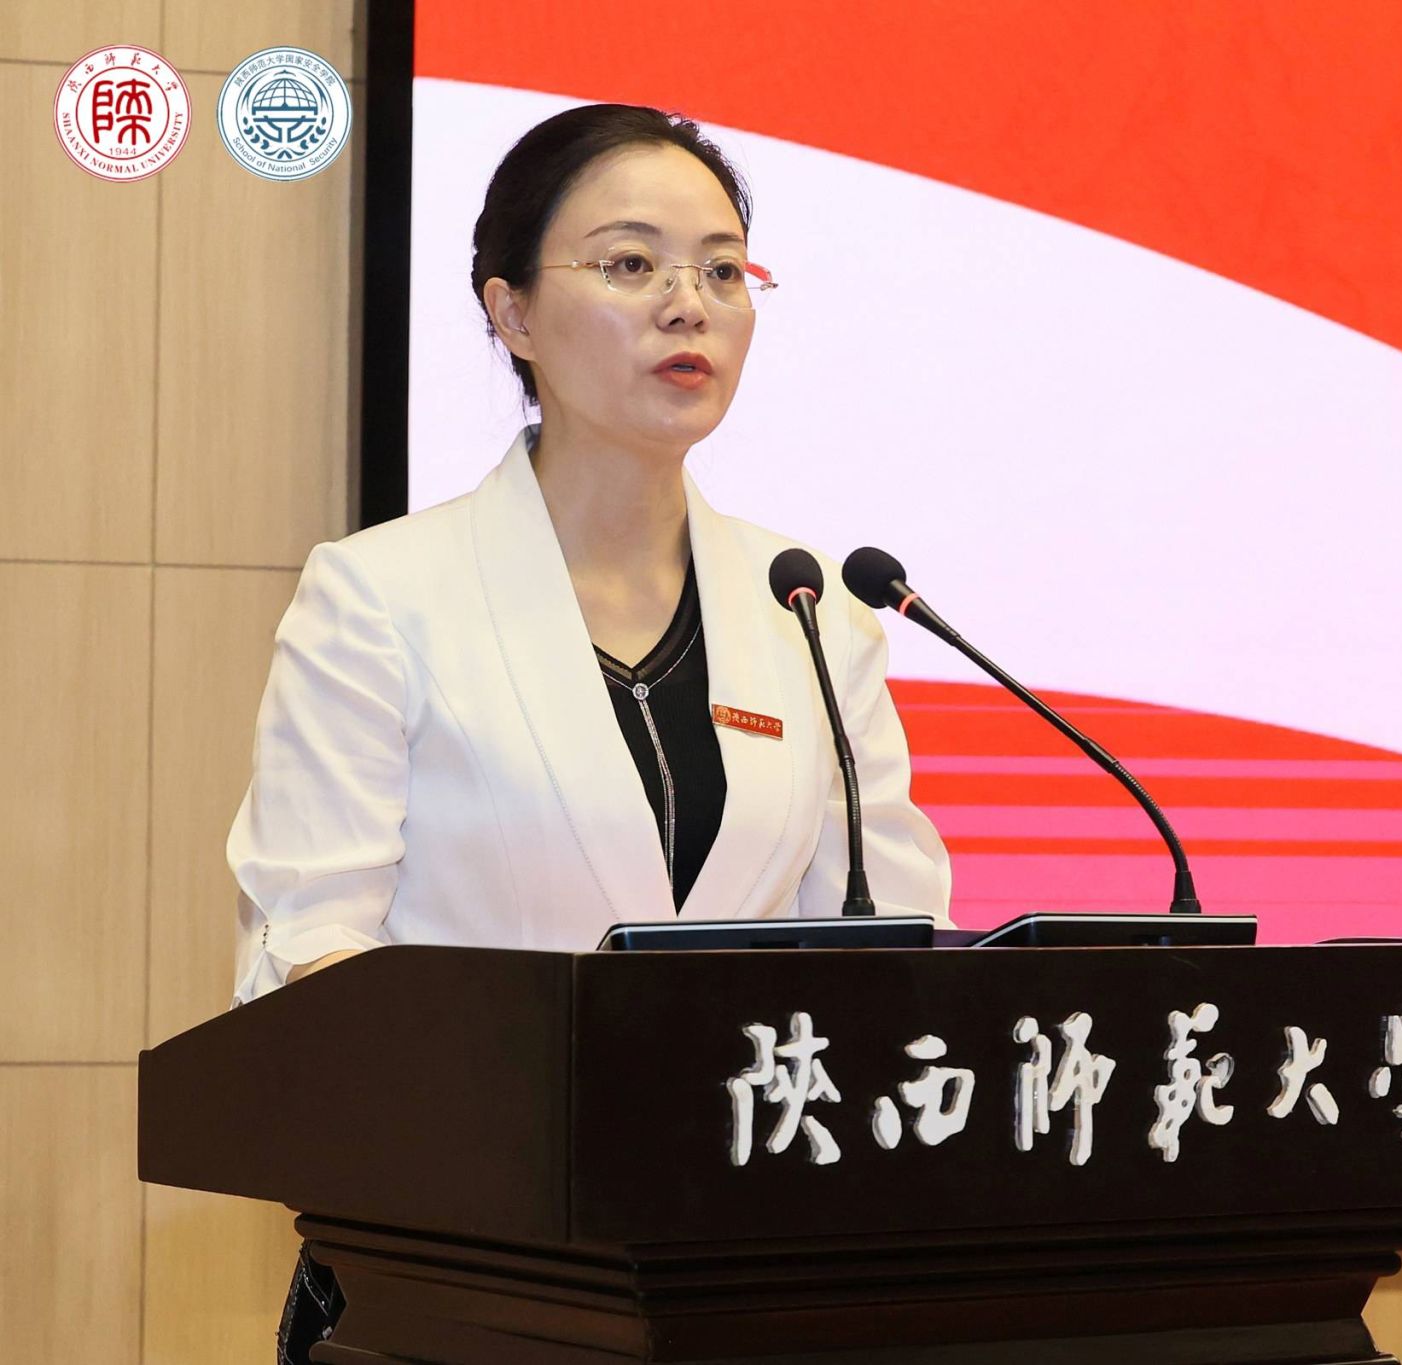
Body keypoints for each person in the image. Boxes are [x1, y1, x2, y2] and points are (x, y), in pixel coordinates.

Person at [230, 104, 952, 1365]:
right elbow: (314, 953)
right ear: (510, 313)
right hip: (453, 1272)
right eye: (630, 264)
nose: (688, 306)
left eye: (721, 271)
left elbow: (890, 940)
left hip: (739, 1275)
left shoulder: (809, 605)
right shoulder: (381, 596)